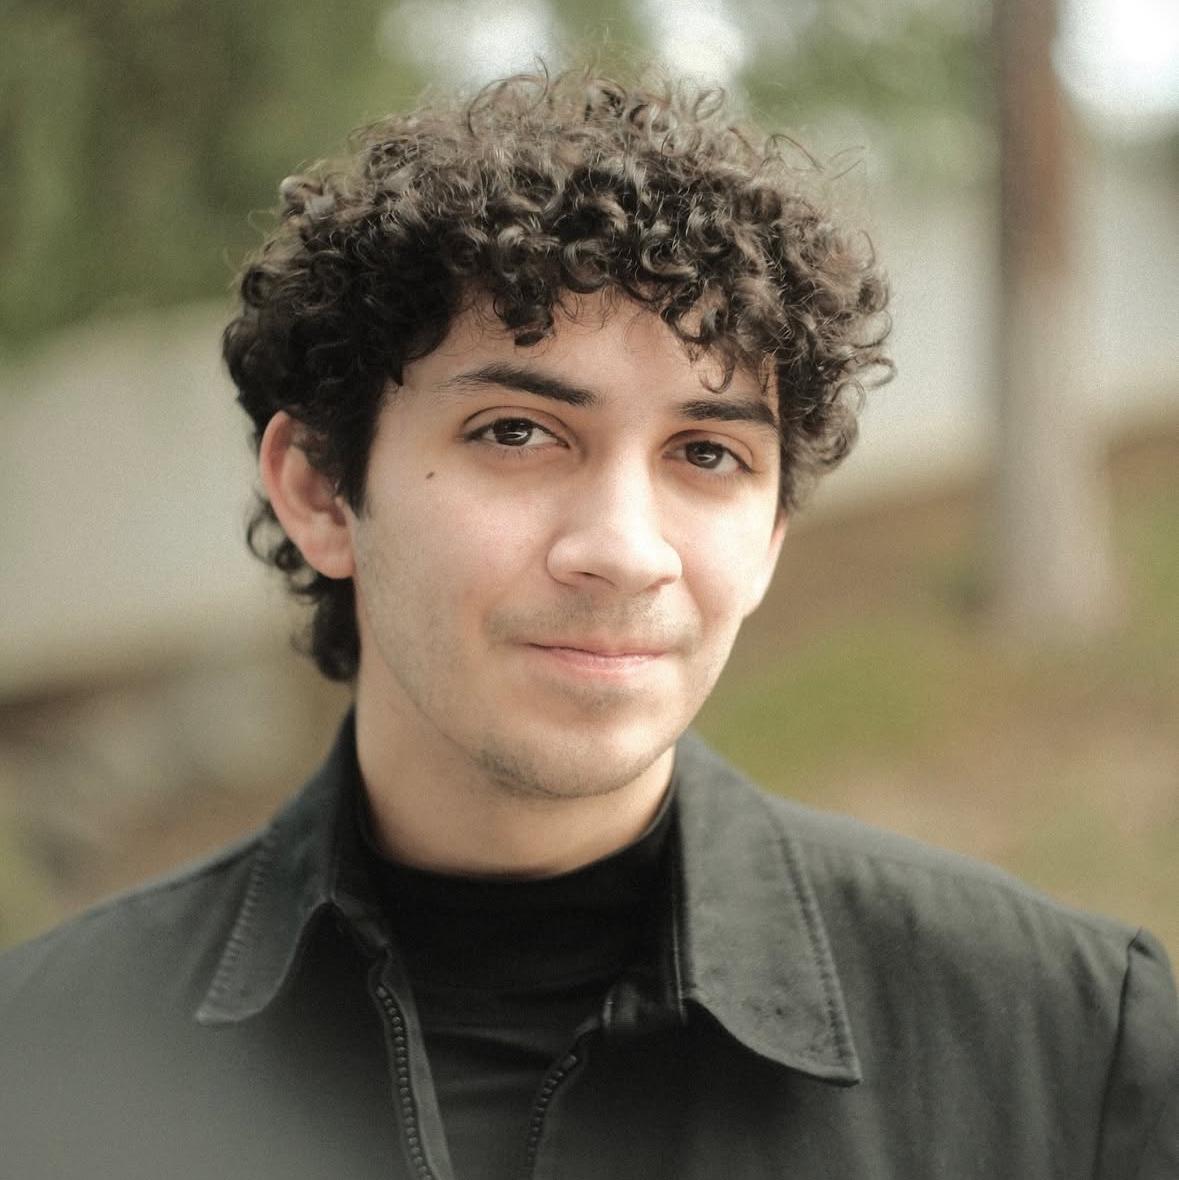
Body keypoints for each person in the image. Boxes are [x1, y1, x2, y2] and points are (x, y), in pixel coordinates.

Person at [1, 67, 1176, 1180]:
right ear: (318, 488)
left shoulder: (1069, 1054)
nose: (624, 548)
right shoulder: (40, 1067)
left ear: (771, 534)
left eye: (706, 454)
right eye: (517, 432)